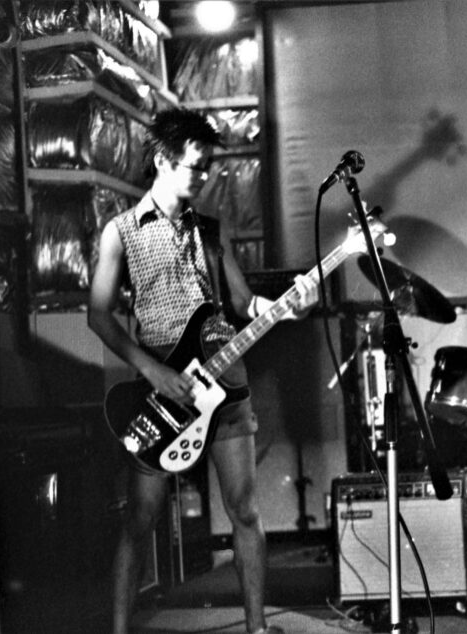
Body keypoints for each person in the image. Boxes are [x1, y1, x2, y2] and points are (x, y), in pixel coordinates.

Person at [89, 108, 316, 634]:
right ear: (163, 161)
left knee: (245, 510)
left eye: (209, 165)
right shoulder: (121, 232)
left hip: (227, 387)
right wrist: (152, 371)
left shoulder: (212, 231)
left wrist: (290, 306)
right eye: (196, 165)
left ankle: (257, 628)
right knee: (140, 518)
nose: (205, 175)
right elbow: (98, 315)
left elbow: (243, 303)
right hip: (161, 392)